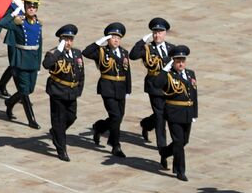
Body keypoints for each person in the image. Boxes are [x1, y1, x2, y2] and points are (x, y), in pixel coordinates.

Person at [0, 0, 43, 128]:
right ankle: (31, 120)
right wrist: (13, 14)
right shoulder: (19, 22)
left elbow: (39, 46)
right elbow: (2, 23)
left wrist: (38, 66)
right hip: (21, 61)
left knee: (29, 89)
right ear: (25, 7)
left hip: (32, 62)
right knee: (24, 91)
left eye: (34, 6)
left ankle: (10, 102)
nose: (31, 8)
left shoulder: (38, 24)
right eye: (29, 6)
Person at [84, 22, 132, 158]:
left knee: (118, 117)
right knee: (115, 116)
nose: (116, 40)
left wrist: (128, 89)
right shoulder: (101, 51)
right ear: (108, 39)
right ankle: (115, 145)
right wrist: (99, 42)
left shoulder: (124, 52)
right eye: (113, 37)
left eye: (118, 38)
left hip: (121, 88)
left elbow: (127, 72)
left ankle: (99, 127)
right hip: (107, 88)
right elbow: (86, 52)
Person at [42, 24, 84, 161]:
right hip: (58, 91)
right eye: (65, 40)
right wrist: (59, 50)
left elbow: (81, 73)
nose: (68, 42)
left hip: (72, 92)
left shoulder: (77, 53)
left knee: (71, 117)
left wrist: (79, 90)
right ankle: (62, 149)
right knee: (59, 121)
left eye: (70, 39)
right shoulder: (53, 53)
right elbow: (46, 64)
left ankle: (56, 132)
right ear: (60, 40)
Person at [129, 17, 172, 149]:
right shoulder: (147, 49)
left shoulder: (172, 48)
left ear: (165, 33)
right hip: (154, 86)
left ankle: (146, 124)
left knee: (167, 112)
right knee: (160, 116)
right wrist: (143, 40)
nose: (157, 35)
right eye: (155, 32)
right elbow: (133, 55)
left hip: (169, 86)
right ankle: (162, 147)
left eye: (160, 32)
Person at [155, 45, 197, 181]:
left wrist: (194, 114)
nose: (181, 64)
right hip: (174, 112)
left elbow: (194, 95)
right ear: (173, 62)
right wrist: (165, 69)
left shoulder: (190, 74)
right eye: (178, 61)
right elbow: (156, 84)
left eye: (183, 61)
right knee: (178, 142)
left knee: (184, 141)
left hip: (187, 112)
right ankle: (180, 170)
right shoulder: (168, 75)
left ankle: (165, 152)